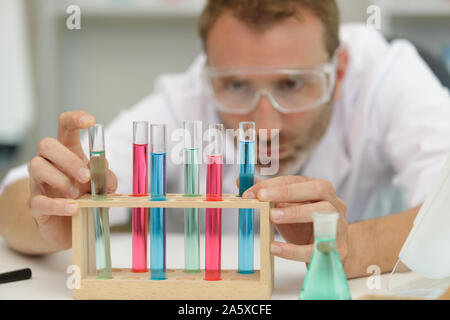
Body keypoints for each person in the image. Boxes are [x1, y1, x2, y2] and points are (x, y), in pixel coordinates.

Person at [1, 0, 450, 279]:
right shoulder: (189, 97)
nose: (265, 120)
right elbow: (16, 195)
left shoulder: (388, 75)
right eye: (236, 87)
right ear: (208, 72)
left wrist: (352, 247)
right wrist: (51, 218)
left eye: (293, 84)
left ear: (341, 69)